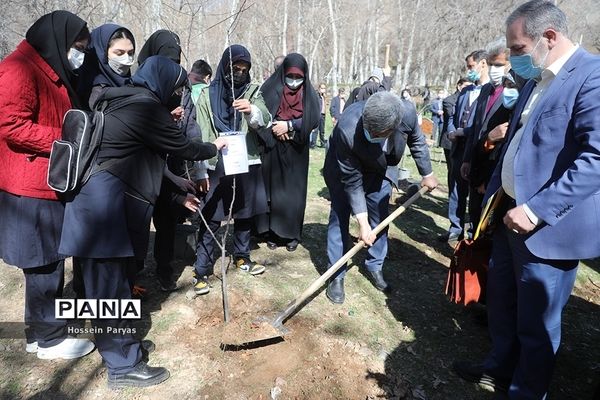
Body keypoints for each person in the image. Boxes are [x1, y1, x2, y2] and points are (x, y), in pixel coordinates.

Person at [453, 2, 600, 399]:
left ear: (548, 37)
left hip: (548, 227)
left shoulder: (592, 77)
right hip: (509, 215)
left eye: (517, 49)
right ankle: (498, 367)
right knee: (502, 302)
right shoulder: (537, 79)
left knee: (537, 320)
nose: (512, 58)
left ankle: (527, 390)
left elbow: (596, 159)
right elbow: (524, 140)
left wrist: (537, 210)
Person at [59, 55, 225, 387]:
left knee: (112, 285)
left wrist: (177, 197)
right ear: (163, 83)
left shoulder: (123, 98)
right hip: (103, 215)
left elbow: (142, 166)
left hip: (100, 207)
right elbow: (183, 147)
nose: (179, 95)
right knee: (110, 289)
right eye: (178, 88)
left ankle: (122, 349)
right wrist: (214, 146)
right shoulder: (147, 108)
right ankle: (123, 367)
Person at [0, 10, 96, 360]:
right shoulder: (18, 70)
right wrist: (65, 140)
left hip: (45, 179)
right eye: (78, 47)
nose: (79, 54)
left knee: (43, 261)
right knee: (44, 262)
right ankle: (51, 340)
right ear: (59, 40)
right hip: (28, 186)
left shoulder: (47, 66)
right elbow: (10, 125)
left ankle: (36, 332)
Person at [323, 92, 438, 304]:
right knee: (340, 215)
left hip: (381, 168)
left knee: (379, 216)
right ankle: (336, 274)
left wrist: (427, 174)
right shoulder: (348, 128)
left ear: (394, 126)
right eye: (368, 129)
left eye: (378, 132)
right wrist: (362, 223)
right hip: (344, 169)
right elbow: (352, 181)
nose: (371, 133)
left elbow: (417, 140)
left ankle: (375, 265)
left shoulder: (407, 113)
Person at [191, 44, 272, 295]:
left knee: (245, 213)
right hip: (217, 161)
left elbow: (266, 120)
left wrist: (252, 111)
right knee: (213, 216)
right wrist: (201, 171)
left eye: (244, 69)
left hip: (245, 159)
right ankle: (202, 269)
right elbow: (202, 132)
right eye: (234, 68)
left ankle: (242, 257)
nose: (239, 73)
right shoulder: (206, 94)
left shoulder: (252, 90)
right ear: (224, 68)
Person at [256, 53, 320, 251]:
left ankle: (292, 235)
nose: (293, 82)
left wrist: (290, 125)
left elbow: (313, 118)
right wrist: (276, 128)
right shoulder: (270, 87)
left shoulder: (309, 93)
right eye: (290, 76)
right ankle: (273, 233)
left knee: (293, 194)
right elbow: (261, 114)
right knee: (273, 192)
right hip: (273, 149)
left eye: (298, 77)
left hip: (296, 152)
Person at [460, 38, 511, 229]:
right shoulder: (485, 90)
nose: (493, 69)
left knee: (488, 227)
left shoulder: (514, 93)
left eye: (498, 65)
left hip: (494, 172)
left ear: (510, 64)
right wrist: (467, 159)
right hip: (476, 164)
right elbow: (475, 129)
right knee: (473, 217)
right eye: (490, 64)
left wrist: (489, 181)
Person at [440, 49, 489, 243]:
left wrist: (465, 132)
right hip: (458, 148)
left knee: (474, 193)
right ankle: (455, 227)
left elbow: (484, 124)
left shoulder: (492, 91)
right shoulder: (466, 91)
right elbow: (453, 115)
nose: (469, 71)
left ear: (483, 63)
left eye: (471, 66)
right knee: (455, 189)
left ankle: (473, 232)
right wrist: (452, 130)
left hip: (477, 150)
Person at [310, 82, 328, 148]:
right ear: (319, 88)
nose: (323, 89)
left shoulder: (324, 96)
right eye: (322, 88)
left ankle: (322, 143)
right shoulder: (316, 95)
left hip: (323, 115)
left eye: (324, 88)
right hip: (317, 115)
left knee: (322, 130)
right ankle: (313, 144)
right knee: (315, 130)